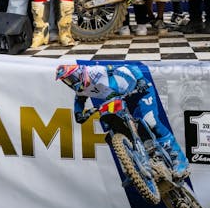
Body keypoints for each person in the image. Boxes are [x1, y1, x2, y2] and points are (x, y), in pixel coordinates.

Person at [55, 62, 189, 179]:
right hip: (120, 99)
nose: (70, 83)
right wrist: (78, 113)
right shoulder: (81, 89)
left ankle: (179, 159)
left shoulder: (96, 71)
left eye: (70, 79)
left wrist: (140, 79)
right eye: (66, 81)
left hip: (138, 90)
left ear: (79, 73)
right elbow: (79, 99)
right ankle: (137, 161)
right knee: (116, 128)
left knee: (151, 121)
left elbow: (128, 66)